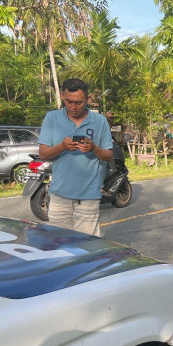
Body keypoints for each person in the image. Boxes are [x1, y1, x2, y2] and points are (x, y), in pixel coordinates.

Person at [38, 78, 114, 236]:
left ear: (88, 99)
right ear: (62, 96)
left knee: (86, 247)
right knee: (60, 244)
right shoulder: (52, 118)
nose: (73, 107)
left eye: (79, 102)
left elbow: (109, 156)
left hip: (88, 196)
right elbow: (43, 153)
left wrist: (94, 148)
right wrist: (61, 147)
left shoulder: (100, 121)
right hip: (59, 195)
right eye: (69, 101)